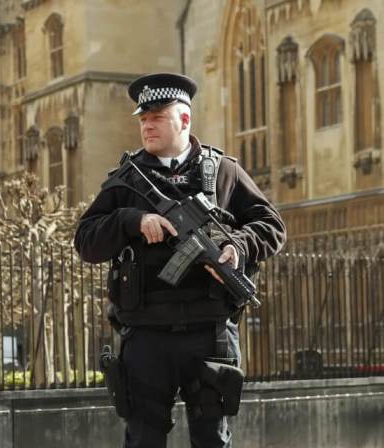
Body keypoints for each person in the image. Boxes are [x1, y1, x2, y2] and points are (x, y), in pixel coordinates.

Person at [74, 73, 286, 447]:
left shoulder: (222, 172)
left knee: (213, 441)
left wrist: (238, 245)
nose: (147, 125)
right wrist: (132, 221)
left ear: (184, 120)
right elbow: (85, 241)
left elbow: (272, 225)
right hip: (146, 336)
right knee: (143, 439)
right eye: (142, 119)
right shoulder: (125, 182)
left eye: (156, 116)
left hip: (211, 333)